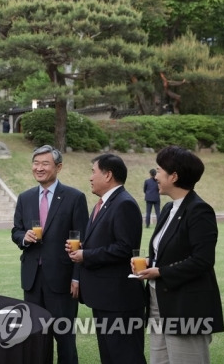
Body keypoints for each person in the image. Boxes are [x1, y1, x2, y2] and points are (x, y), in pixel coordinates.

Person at [135, 146, 224, 363]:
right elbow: (168, 252)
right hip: (158, 301)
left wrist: (160, 271)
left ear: (174, 176)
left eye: (159, 170)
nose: (155, 176)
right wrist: (149, 262)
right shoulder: (168, 209)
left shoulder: (199, 210)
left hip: (186, 306)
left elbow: (202, 260)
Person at [12, 145, 88, 364]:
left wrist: (77, 277)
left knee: (64, 338)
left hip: (62, 281)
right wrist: (23, 237)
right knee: (37, 337)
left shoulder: (74, 197)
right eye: (36, 163)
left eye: (45, 164)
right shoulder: (25, 198)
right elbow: (16, 231)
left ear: (58, 167)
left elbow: (82, 242)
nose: (39, 168)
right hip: (32, 280)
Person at [67, 153, 146, 364]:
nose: (90, 178)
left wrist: (86, 255)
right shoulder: (102, 204)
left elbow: (124, 248)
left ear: (108, 175)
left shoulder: (124, 204)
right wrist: (84, 247)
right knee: (110, 356)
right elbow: (108, 241)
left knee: (126, 356)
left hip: (119, 300)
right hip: (105, 298)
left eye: (93, 172)